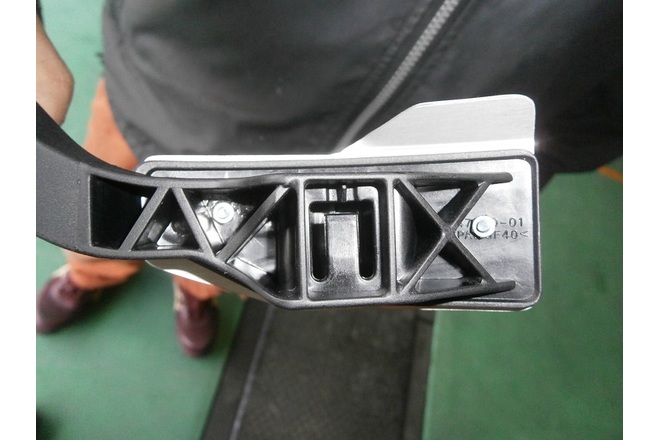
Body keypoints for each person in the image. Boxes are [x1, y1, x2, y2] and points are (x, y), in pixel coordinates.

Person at [36, 0, 622, 357]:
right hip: (169, 93)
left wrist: (546, 155)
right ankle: (91, 275)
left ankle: (194, 294)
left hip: (418, 195)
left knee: (203, 261)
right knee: (106, 217)